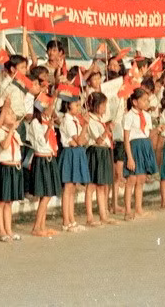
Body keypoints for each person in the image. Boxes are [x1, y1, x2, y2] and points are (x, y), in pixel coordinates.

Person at [29, 94, 60, 237]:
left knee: (48, 194)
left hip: (50, 157)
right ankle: (36, 227)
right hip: (41, 159)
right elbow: (42, 142)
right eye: (49, 106)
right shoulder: (36, 123)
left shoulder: (47, 120)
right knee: (45, 195)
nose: (52, 108)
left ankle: (43, 225)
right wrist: (49, 128)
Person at [123, 88, 157, 220]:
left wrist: (158, 129)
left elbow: (147, 133)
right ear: (135, 102)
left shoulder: (147, 116)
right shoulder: (129, 116)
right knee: (132, 179)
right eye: (144, 100)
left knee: (141, 179)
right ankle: (127, 210)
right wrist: (130, 158)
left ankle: (138, 208)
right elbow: (126, 138)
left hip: (144, 146)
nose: (146, 102)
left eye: (147, 100)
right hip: (134, 147)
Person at [0, 103, 24, 242]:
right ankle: (2, 231)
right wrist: (11, 130)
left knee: (9, 202)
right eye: (8, 114)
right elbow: (4, 146)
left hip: (14, 167)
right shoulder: (0, 132)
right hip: (4, 168)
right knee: (1, 201)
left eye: (12, 113)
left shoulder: (15, 132)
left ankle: (9, 230)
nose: (12, 115)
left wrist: (13, 130)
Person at [59, 94, 90, 232]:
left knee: (72, 188)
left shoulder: (75, 120)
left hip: (77, 152)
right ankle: (66, 220)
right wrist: (85, 126)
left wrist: (81, 135)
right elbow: (78, 141)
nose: (78, 107)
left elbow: (82, 141)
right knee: (68, 188)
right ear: (68, 105)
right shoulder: (67, 121)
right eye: (76, 105)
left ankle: (72, 219)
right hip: (70, 152)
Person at [84, 92, 115, 227]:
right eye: (103, 105)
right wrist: (106, 130)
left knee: (102, 185)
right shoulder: (90, 120)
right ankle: (90, 216)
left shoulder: (100, 120)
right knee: (92, 185)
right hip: (95, 151)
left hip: (103, 152)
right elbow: (97, 139)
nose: (104, 108)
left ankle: (103, 215)